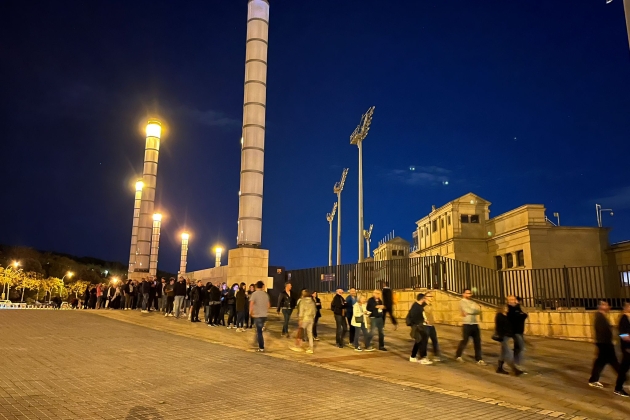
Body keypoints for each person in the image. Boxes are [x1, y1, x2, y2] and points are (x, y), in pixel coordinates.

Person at [589, 300, 619, 388]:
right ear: (600, 306)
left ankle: (593, 379)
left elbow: (607, 328)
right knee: (612, 361)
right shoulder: (599, 317)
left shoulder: (602, 316)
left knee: (601, 362)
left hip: (604, 343)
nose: (608, 307)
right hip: (604, 343)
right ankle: (623, 377)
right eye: (605, 305)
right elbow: (602, 330)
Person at [455, 289, 485, 365]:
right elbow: (468, 310)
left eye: (470, 293)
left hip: (475, 323)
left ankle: (479, 359)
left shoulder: (473, 302)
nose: (469, 295)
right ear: (463, 294)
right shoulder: (462, 302)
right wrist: (474, 311)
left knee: (477, 342)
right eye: (467, 293)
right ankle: (458, 355)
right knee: (464, 341)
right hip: (467, 324)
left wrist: (474, 311)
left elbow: (478, 310)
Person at [494, 304, 523, 375]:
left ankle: (499, 368)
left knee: (503, 353)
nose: (507, 309)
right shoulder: (499, 316)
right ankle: (515, 369)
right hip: (504, 336)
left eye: (507, 307)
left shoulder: (508, 316)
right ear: (502, 308)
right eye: (505, 307)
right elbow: (498, 327)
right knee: (509, 353)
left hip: (510, 336)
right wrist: (501, 336)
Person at [407, 293, 432, 364]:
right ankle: (422, 357)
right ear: (422, 299)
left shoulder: (418, 306)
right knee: (422, 341)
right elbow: (414, 317)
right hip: (417, 326)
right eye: (424, 298)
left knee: (418, 341)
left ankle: (413, 356)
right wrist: (421, 322)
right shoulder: (416, 307)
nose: (425, 300)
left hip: (419, 325)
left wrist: (424, 320)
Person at [291, 289, 317, 354]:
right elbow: (314, 311)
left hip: (304, 319)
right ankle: (311, 348)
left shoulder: (303, 301)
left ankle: (298, 346)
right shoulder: (312, 302)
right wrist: (312, 318)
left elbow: (301, 311)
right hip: (311, 319)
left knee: (300, 332)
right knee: (310, 334)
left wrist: (300, 319)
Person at [614, 301, 630, 397]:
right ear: (626, 307)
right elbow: (622, 334)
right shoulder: (623, 319)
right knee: (624, 369)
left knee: (624, 369)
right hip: (627, 348)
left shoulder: (628, 317)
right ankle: (618, 388)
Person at [508, 295, 528, 368]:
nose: (513, 301)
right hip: (514, 330)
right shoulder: (509, 308)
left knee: (518, 347)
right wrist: (520, 315)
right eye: (511, 299)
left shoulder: (518, 307)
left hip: (520, 330)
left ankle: (516, 362)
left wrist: (520, 315)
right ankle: (516, 363)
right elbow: (513, 317)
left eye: (514, 299)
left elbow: (525, 315)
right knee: (520, 347)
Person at [249, 280, 270, 352]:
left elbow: (251, 303)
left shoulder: (254, 294)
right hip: (264, 315)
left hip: (257, 315)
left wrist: (251, 312)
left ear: (256, 286)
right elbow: (268, 305)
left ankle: (261, 347)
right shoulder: (265, 294)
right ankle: (257, 342)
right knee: (259, 330)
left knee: (259, 332)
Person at [422, 293, 440, 361]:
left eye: (431, 296)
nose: (431, 297)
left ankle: (436, 355)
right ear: (425, 297)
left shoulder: (430, 305)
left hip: (432, 325)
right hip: (425, 325)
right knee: (425, 341)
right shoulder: (423, 305)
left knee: (435, 340)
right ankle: (424, 356)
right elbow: (422, 313)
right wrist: (425, 320)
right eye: (430, 296)